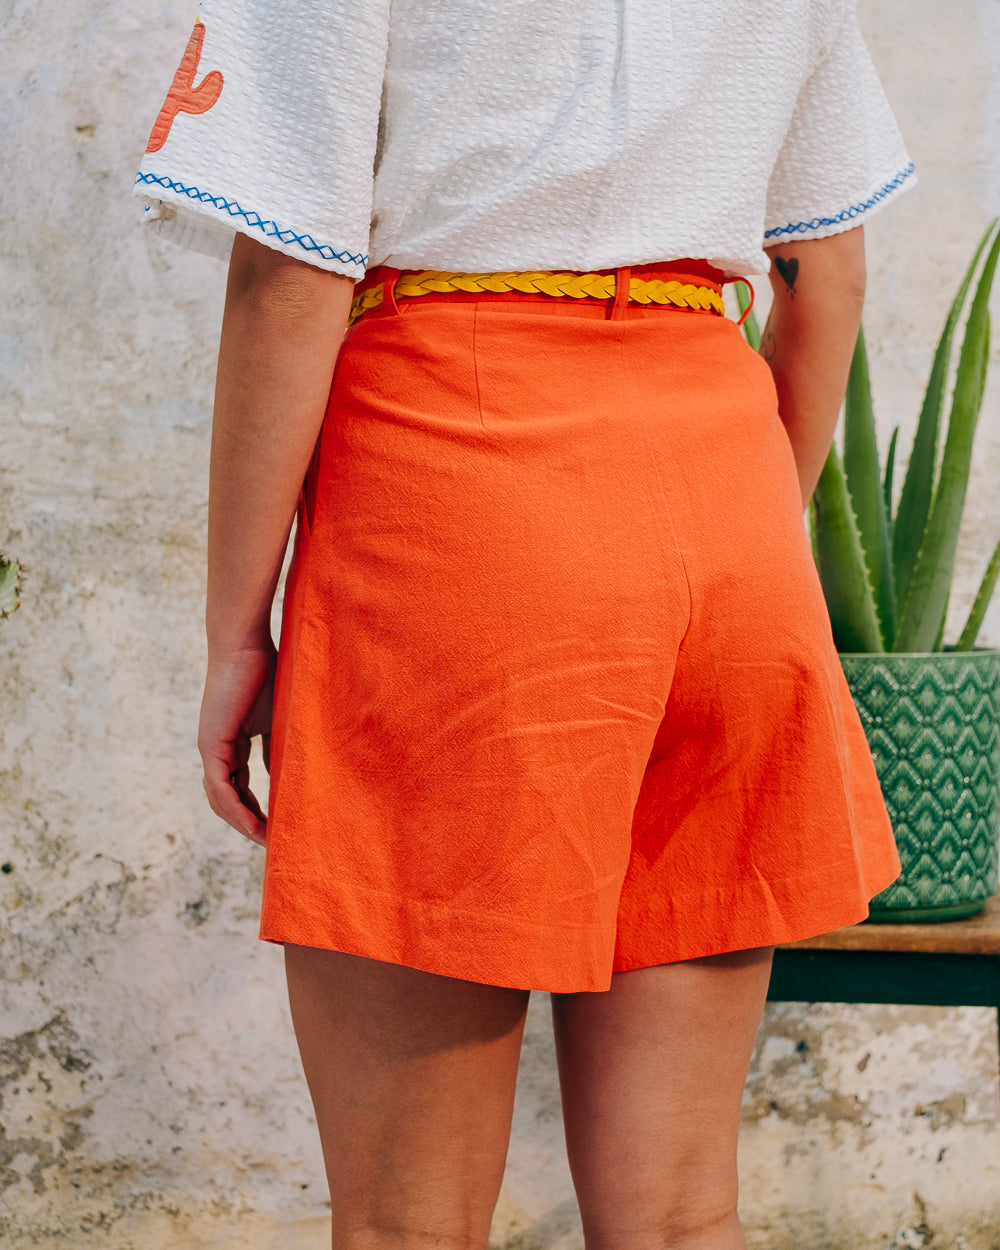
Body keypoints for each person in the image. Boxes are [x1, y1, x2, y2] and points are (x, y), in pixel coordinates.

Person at [136, 3, 913, 1246]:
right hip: (722, 480)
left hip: (466, 481)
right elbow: (824, 264)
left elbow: (291, 271)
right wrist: (743, 521)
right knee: (678, 1215)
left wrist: (237, 630)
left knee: (409, 1220)